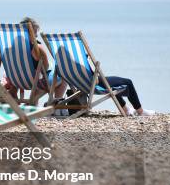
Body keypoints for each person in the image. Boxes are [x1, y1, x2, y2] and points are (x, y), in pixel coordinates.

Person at [22, 18, 155, 116]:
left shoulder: (65, 66)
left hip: (81, 85)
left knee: (110, 85)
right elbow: (92, 75)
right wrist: (94, 67)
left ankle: (126, 110)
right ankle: (141, 111)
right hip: (91, 84)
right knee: (126, 82)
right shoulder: (78, 63)